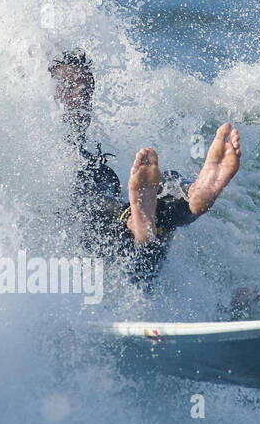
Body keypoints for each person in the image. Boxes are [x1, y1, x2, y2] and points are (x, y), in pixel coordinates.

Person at [50, 49, 242, 287]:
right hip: (87, 247)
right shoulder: (46, 165)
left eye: (86, 90)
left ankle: (191, 196)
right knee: (93, 203)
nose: (80, 97)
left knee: (163, 187)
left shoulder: (98, 165)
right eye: (69, 89)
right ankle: (146, 217)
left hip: (122, 269)